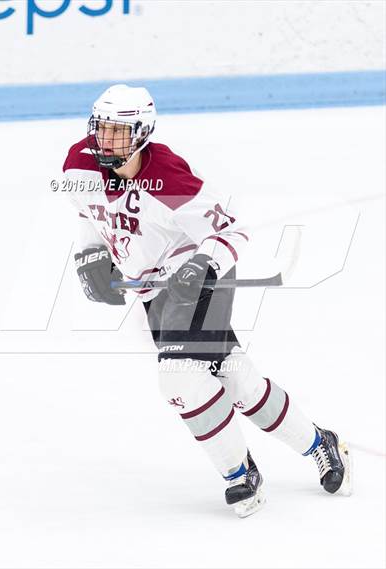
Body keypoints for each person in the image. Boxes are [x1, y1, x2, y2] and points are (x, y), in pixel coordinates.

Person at [63, 84, 352, 517]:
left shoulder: (168, 177)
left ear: (142, 133)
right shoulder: (80, 164)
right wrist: (90, 253)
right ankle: (319, 442)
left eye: (118, 132)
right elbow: (86, 213)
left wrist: (201, 265)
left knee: (177, 378)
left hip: (197, 278)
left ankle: (239, 474)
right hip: (154, 293)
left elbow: (230, 231)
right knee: (238, 381)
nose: (105, 139)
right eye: (101, 128)